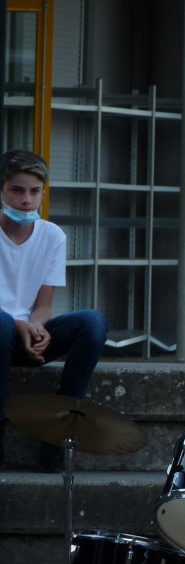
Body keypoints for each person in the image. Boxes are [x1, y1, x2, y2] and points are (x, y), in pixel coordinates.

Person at [0, 150, 108, 472]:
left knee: (92, 322)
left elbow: (43, 305)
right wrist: (17, 325)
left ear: (43, 194)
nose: (26, 200)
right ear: (2, 191)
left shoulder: (53, 236)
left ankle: (59, 432)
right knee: (3, 324)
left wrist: (37, 327)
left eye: (34, 191)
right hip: (3, 331)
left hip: (25, 337)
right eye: (17, 190)